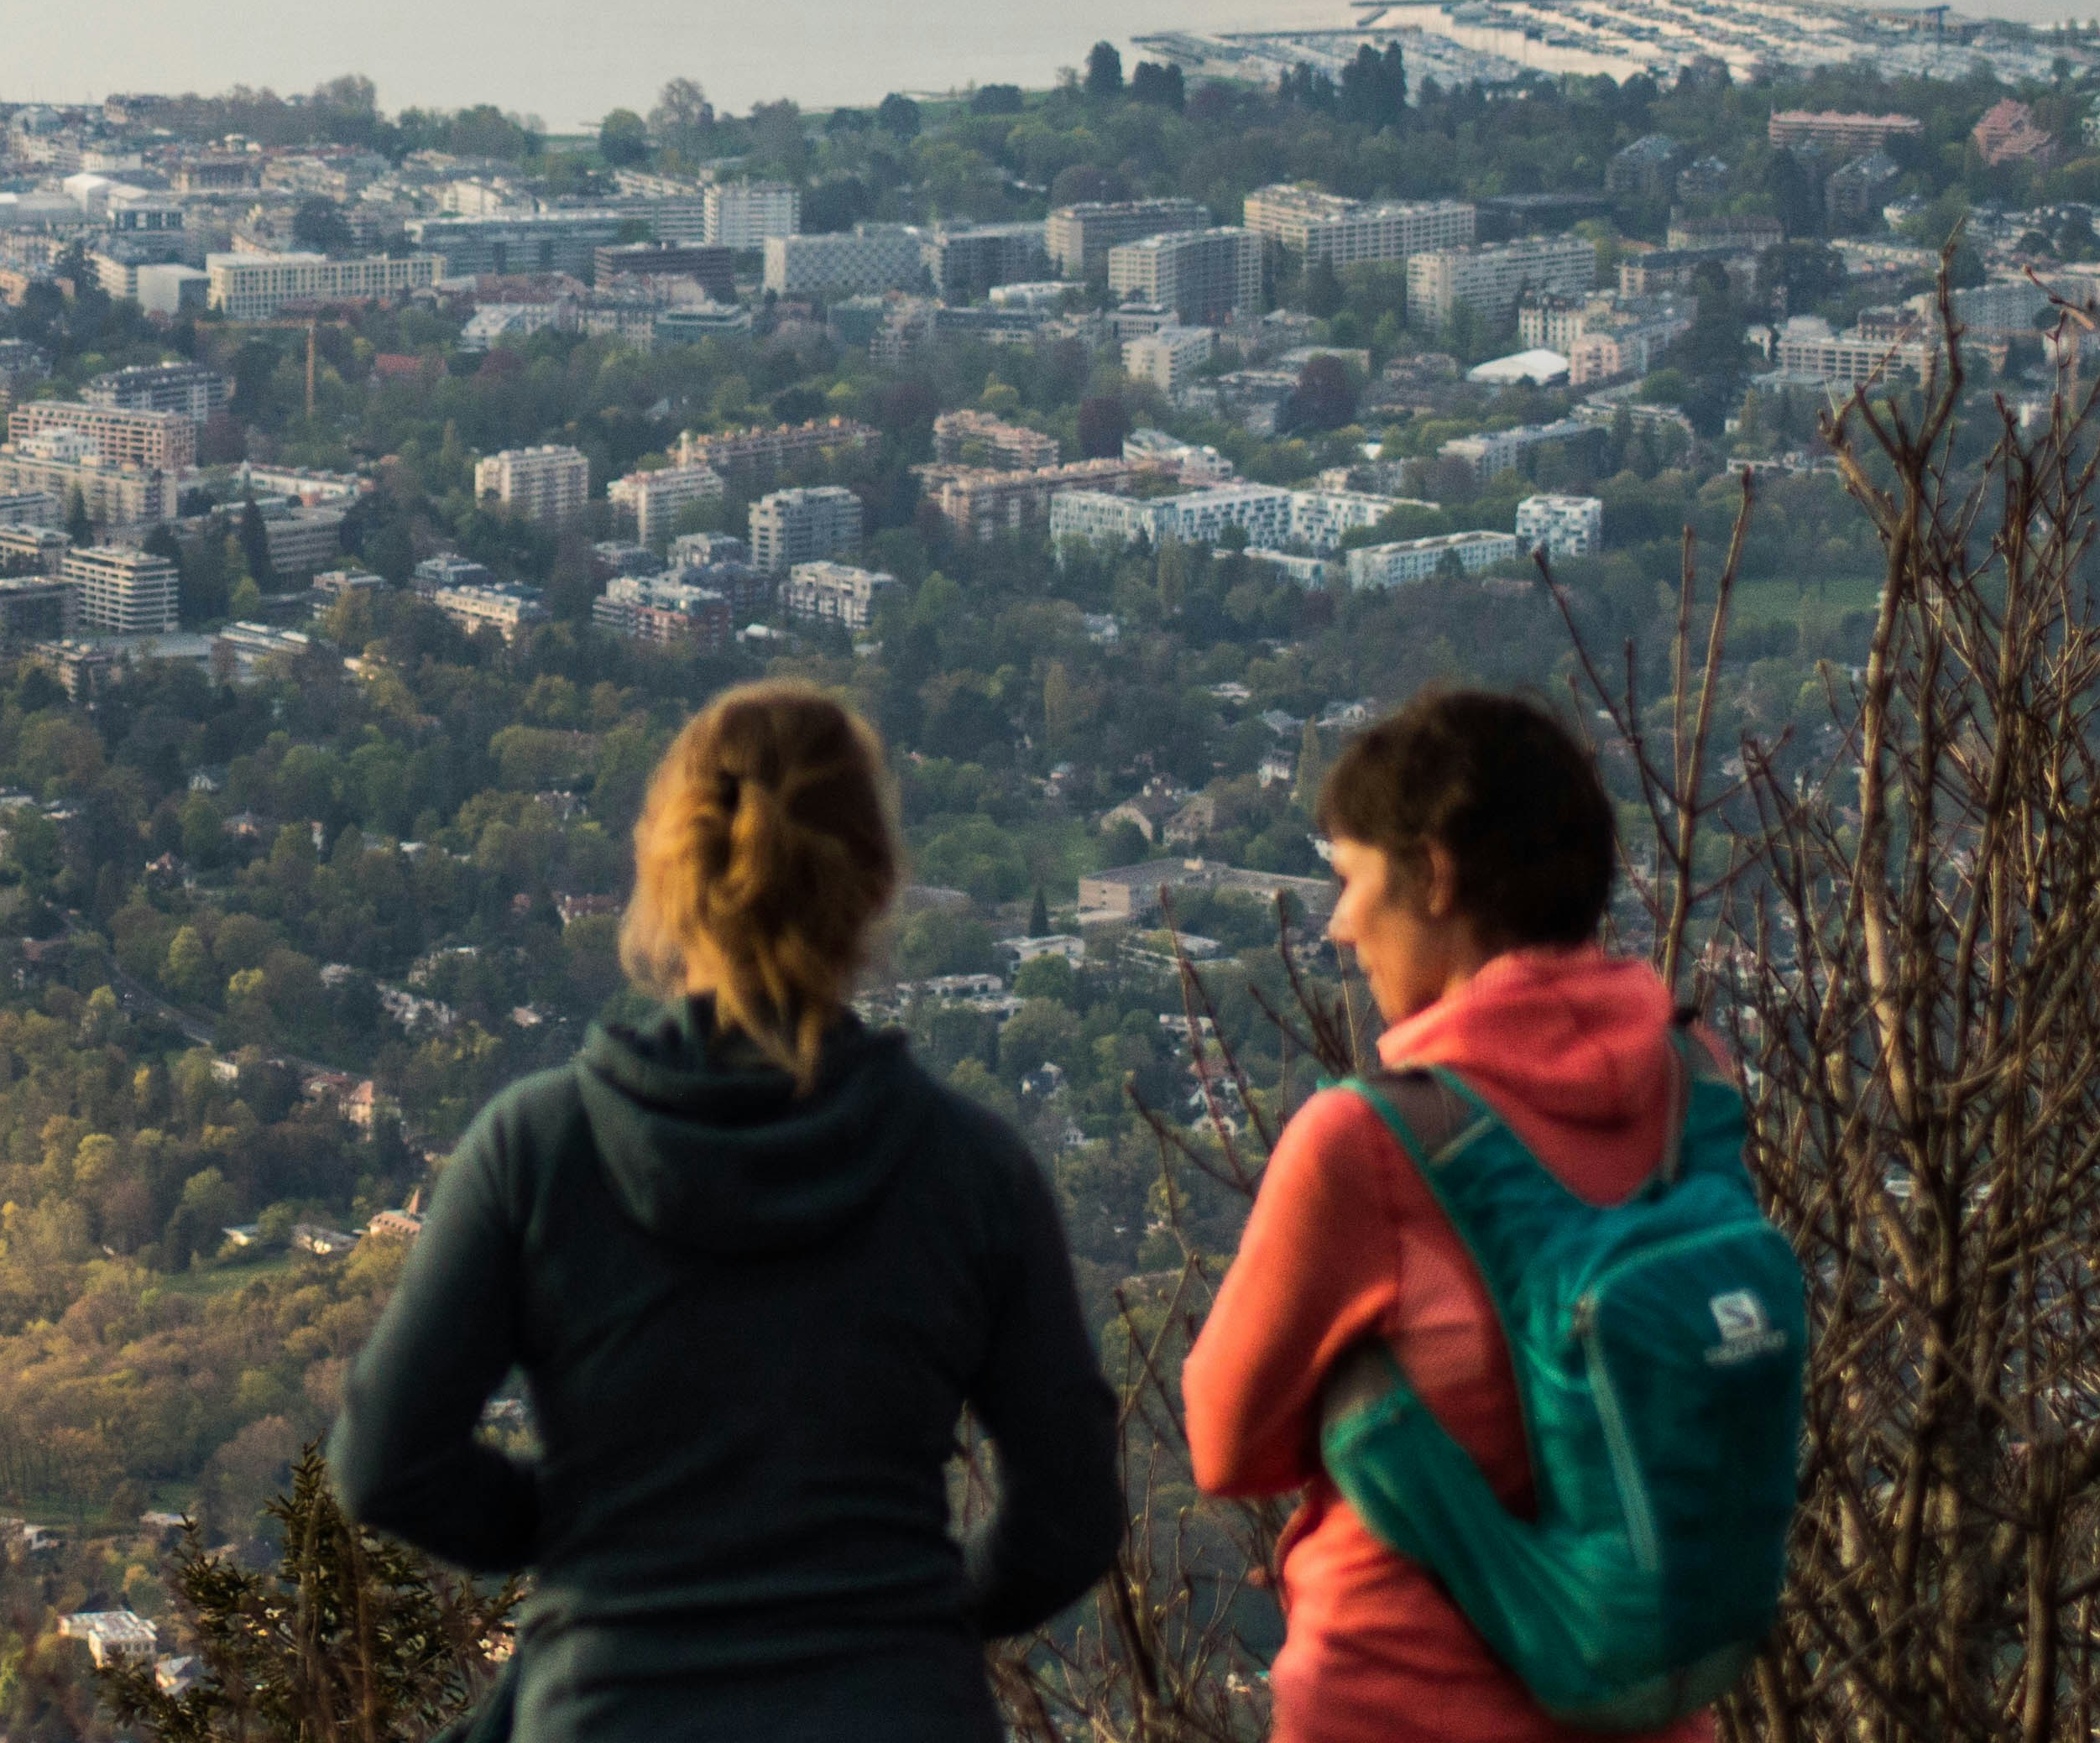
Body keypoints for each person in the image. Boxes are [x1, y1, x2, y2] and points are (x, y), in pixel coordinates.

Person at [332, 686, 1122, 1740]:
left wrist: (581, 1532)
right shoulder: (970, 1172)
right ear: (875, 882)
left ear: (668, 873)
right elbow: (1071, 1514)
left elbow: (386, 1459)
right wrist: (909, 1612)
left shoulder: (539, 1150)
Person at [1185, 686, 1712, 1742]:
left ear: (1431, 873)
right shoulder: (1695, 1087)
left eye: (1349, 880)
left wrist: (1360, 1390)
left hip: (1400, 1705)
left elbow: (1223, 1438)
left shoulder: (1369, 1144)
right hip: (1646, 1707)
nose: (1337, 926)